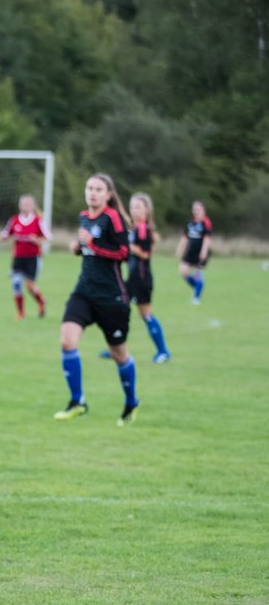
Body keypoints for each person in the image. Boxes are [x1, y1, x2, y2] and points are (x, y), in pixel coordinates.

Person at [53, 173, 139, 425]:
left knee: (119, 354)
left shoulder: (113, 217)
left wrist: (94, 244)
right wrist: (80, 248)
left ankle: (132, 401)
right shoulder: (83, 216)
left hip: (111, 297)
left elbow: (124, 253)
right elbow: (90, 249)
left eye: (98, 189)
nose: (92, 192)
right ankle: (77, 401)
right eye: (89, 187)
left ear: (108, 194)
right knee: (67, 341)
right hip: (84, 292)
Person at [124, 192, 171, 363]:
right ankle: (118, 349)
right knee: (128, 312)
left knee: (125, 311)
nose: (134, 210)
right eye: (132, 207)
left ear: (147, 211)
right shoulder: (135, 229)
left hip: (141, 278)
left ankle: (163, 351)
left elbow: (146, 253)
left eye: (138, 207)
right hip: (135, 277)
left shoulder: (143, 229)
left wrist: (128, 246)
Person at [0, 194, 49, 319]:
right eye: (22, 204)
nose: (24, 206)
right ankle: (21, 313)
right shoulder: (14, 220)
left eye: (27, 204)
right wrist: (4, 237)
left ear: (32, 206)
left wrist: (36, 240)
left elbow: (48, 237)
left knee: (30, 286)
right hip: (18, 257)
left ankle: (41, 301)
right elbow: (4, 234)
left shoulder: (38, 221)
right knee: (16, 283)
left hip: (33, 258)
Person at [176, 200, 212, 304]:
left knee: (197, 273)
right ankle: (197, 287)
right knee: (182, 271)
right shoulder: (190, 223)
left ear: (203, 210)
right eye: (194, 209)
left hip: (200, 251)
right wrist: (180, 249)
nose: (196, 211)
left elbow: (207, 239)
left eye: (198, 209)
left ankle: (196, 298)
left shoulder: (206, 223)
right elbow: (185, 237)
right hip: (190, 251)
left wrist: (204, 251)